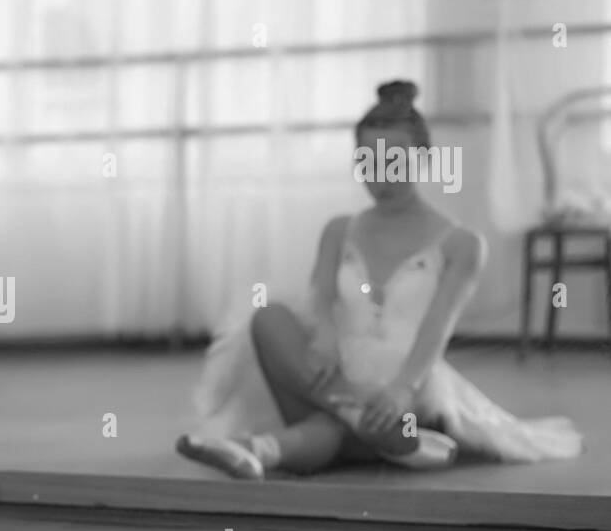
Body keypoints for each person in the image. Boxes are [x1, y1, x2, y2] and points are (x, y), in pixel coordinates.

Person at [177, 80, 583, 480]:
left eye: (395, 161)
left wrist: (401, 388)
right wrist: (325, 337)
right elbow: (319, 300)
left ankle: (258, 451)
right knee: (267, 319)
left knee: (332, 428)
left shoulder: (461, 244)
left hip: (408, 384)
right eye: (368, 161)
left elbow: (436, 330)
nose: (381, 176)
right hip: (336, 376)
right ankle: (377, 433)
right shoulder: (339, 230)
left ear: (423, 158)